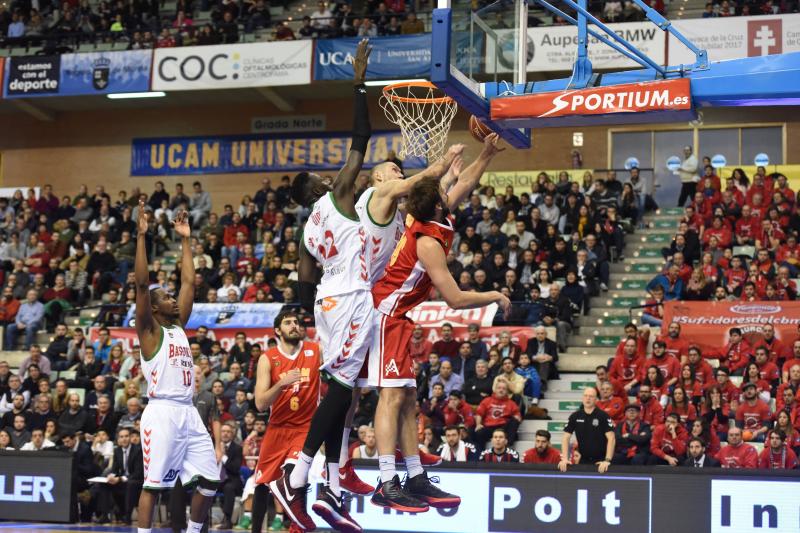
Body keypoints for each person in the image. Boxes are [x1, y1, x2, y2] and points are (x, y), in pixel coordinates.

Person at [362, 144, 508, 512]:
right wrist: (493, 295)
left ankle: (415, 476)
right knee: (391, 397)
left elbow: (466, 182)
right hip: (385, 314)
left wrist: (487, 155)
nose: (452, 189)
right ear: (440, 203)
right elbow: (455, 300)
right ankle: (386, 481)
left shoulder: (430, 218)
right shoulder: (427, 241)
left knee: (409, 398)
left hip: (399, 315)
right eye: (446, 189)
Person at [268, 41, 377, 533]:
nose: (326, 176)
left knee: (340, 389)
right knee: (342, 390)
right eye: (319, 176)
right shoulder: (338, 195)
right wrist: (359, 83)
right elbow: (362, 137)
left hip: (326, 304)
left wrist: (313, 321)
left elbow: (303, 282)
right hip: (351, 297)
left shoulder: (305, 233)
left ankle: (331, 485)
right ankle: (299, 473)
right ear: (315, 186)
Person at [134, 202, 219, 533]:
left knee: (210, 481)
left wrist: (185, 239)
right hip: (162, 412)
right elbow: (142, 285)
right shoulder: (149, 331)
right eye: (166, 298)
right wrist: (142, 236)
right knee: (154, 487)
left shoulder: (178, 326)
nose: (173, 299)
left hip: (188, 412)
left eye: (172, 296)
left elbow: (189, 284)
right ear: (154, 309)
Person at [252, 311, 330, 533]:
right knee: (262, 484)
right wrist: (281, 384)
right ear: (278, 330)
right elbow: (260, 404)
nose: (294, 325)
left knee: (296, 475)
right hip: (277, 428)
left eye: (296, 322)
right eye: (288, 323)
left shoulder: (316, 350)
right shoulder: (268, 358)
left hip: (305, 427)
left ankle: (297, 528)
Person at [559, 387, 615, 473]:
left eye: (591, 396)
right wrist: (565, 459)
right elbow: (566, 437)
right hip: (583, 460)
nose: (588, 398)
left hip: (601, 461)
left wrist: (607, 460)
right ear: (582, 398)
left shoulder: (603, 416)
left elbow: (611, 438)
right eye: (585, 396)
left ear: (596, 399)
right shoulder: (575, 416)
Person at [94, 427, 143, 524]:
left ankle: (127, 517)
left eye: (126, 436)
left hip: (137, 481)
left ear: (130, 437)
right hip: (123, 480)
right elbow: (114, 469)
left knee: (130, 484)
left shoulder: (138, 450)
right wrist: (111, 476)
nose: (124, 439)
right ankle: (105, 515)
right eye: (121, 437)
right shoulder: (117, 451)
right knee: (104, 484)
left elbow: (138, 473)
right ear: (118, 439)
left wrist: (120, 478)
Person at [474, 379, 521, 452]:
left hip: (503, 428)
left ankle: (508, 448)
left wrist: (517, 417)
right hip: (489, 427)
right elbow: (479, 413)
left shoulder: (511, 403)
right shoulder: (487, 400)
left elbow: (518, 417)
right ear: (495, 390)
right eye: (499, 388)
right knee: (478, 432)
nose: (501, 390)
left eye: (504, 389)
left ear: (507, 392)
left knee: (514, 421)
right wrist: (478, 424)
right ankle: (481, 454)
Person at [215, 422, 243, 529]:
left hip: (231, 480)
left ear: (232, 434)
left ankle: (227, 520)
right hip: (216, 480)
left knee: (228, 488)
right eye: (223, 431)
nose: (225, 434)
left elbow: (235, 468)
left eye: (228, 432)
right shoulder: (213, 447)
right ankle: (200, 518)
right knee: (202, 486)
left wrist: (223, 456)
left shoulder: (237, 448)